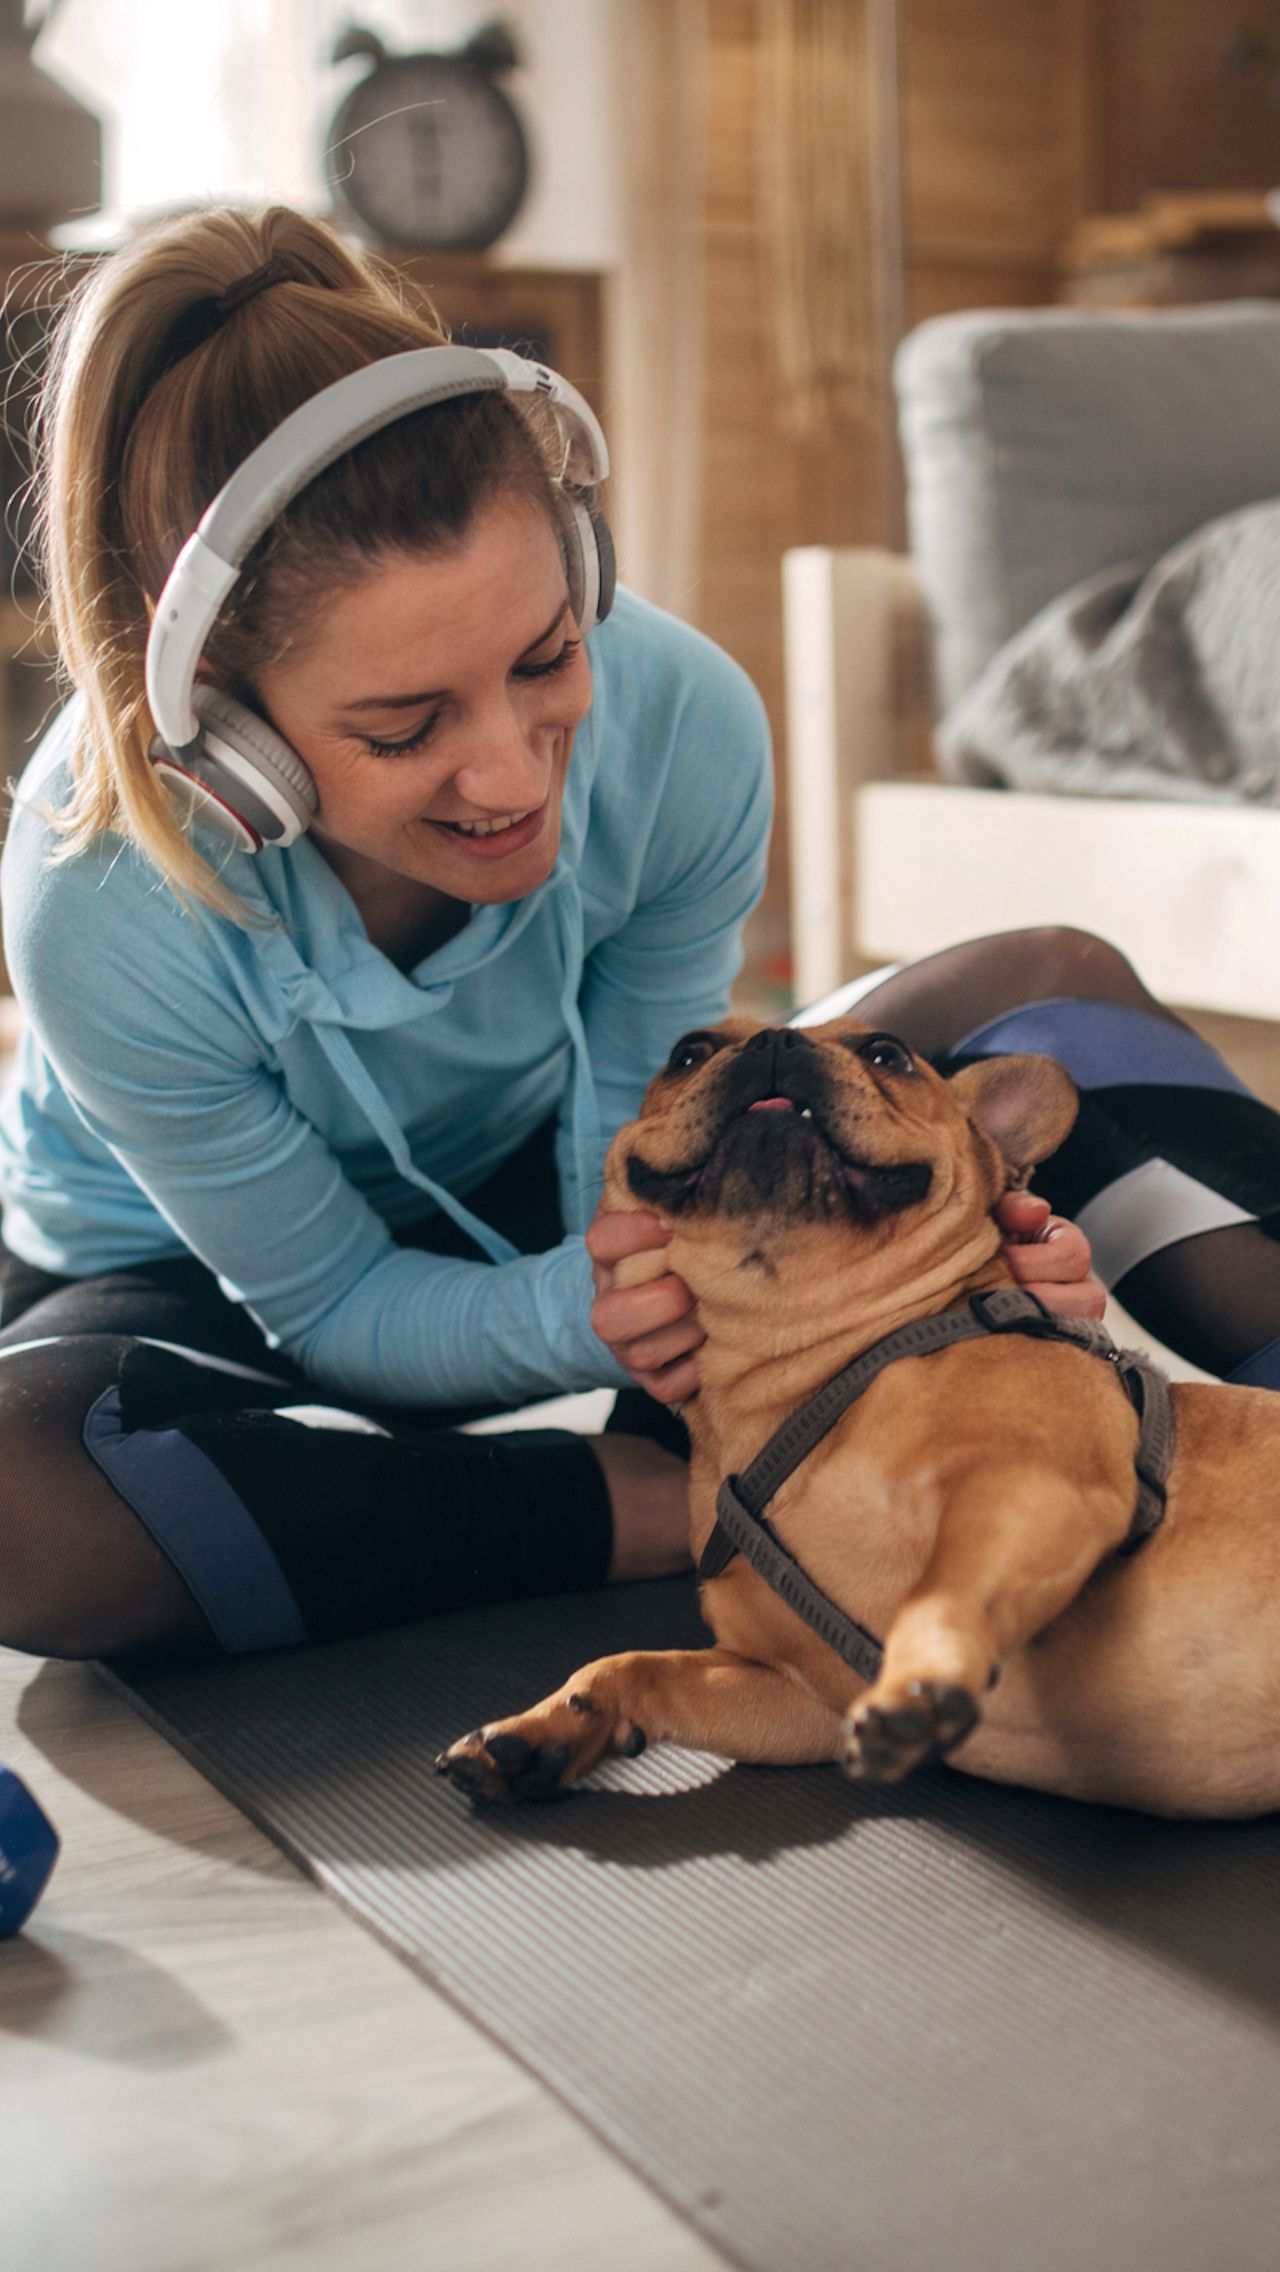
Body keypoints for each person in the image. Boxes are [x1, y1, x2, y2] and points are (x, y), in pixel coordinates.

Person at [0, 205, 1271, 1671]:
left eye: (545, 656)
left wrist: (848, 1256)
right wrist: (634, 1329)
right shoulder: (92, 892)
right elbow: (339, 1298)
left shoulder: (681, 716)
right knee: (25, 1506)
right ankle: (654, 1507)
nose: (515, 775)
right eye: (408, 728)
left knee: (1050, 985)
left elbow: (648, 1143)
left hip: (577, 1196)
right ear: (226, 732)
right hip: (215, 1286)